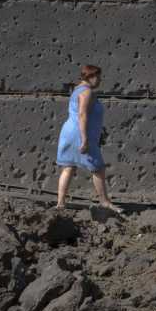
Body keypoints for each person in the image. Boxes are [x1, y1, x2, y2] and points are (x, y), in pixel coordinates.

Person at [55, 65, 122, 212]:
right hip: (80, 134)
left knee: (68, 167)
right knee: (98, 168)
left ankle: (60, 203)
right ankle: (104, 202)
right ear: (91, 76)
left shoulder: (77, 90)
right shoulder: (87, 92)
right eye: (98, 77)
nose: (100, 80)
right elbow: (82, 114)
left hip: (69, 132)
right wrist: (85, 139)